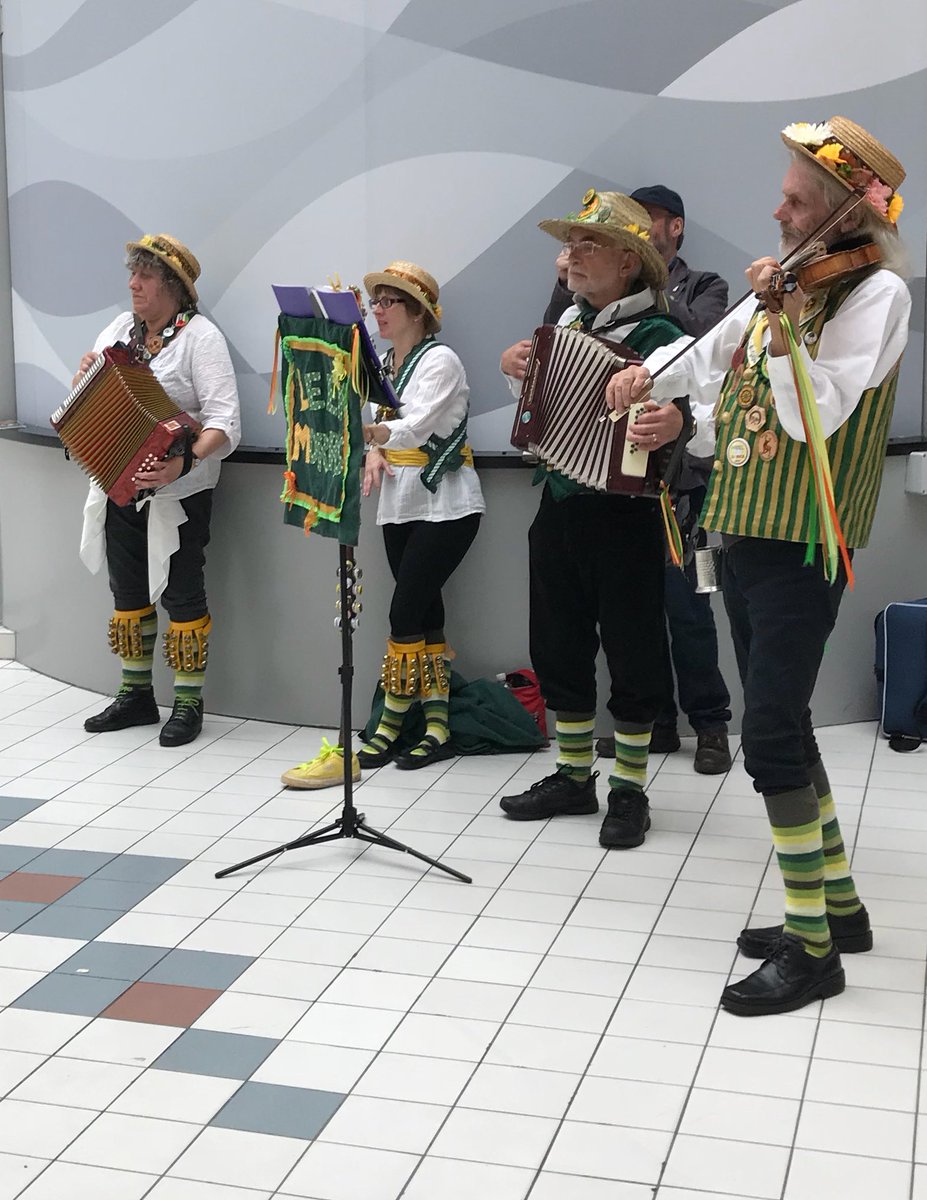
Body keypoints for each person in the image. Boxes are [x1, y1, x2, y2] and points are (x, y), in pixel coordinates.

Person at [608, 117, 911, 1014]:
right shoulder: (777, 290)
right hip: (739, 530)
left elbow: (814, 405)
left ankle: (813, 949)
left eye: (793, 199)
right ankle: (840, 910)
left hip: (802, 543)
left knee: (770, 736)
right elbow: (704, 366)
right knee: (782, 724)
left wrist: (777, 331)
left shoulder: (876, 295)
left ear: (838, 217)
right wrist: (644, 382)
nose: (774, 210)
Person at [498, 191, 690, 849]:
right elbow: (541, 413)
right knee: (557, 641)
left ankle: (629, 788)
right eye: (571, 243)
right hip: (558, 504)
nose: (570, 256)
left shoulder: (662, 337)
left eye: (588, 245)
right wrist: (513, 370)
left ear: (629, 263)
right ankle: (574, 776)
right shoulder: (569, 326)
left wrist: (673, 417)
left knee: (634, 650)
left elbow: (688, 423)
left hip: (627, 516)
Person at [287, 261, 484, 784]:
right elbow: (385, 431)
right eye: (374, 303)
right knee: (425, 611)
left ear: (418, 311)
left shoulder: (440, 360)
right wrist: (371, 449)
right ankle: (438, 725)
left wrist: (360, 432)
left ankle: (391, 722)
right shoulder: (388, 364)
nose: (377, 311)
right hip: (400, 504)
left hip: (448, 506)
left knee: (402, 611)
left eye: (388, 302)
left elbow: (413, 428)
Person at [75, 234, 240, 747]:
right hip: (120, 483)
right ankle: (137, 696)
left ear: (173, 287)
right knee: (126, 590)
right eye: (134, 274)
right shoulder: (120, 330)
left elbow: (226, 422)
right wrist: (84, 375)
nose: (133, 284)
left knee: (183, 591)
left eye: (145, 276)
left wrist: (181, 463)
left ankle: (188, 702)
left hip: (180, 492)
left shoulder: (201, 337)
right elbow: (91, 392)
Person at [619, 185, 733, 773]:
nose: (638, 230)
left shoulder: (707, 286)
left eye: (649, 222)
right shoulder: (610, 296)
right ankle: (658, 721)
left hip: (687, 483)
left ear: (676, 228)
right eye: (629, 224)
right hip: (623, 479)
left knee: (690, 605)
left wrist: (651, 285)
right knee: (636, 609)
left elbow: (704, 346)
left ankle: (711, 724)